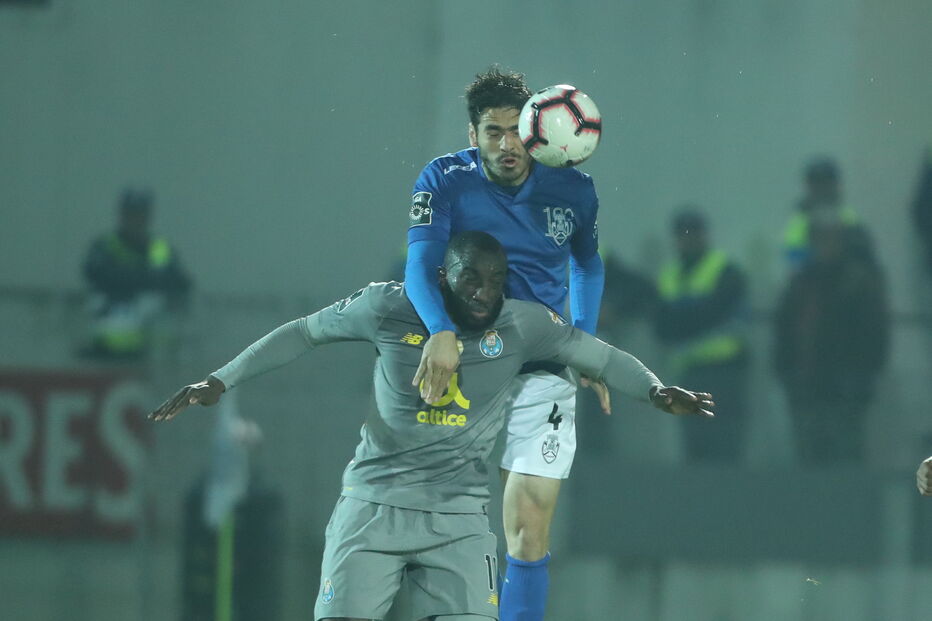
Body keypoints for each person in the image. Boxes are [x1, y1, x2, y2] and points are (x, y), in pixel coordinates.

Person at [151, 232, 714, 621]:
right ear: (442, 276)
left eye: (496, 280)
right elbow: (303, 332)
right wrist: (219, 380)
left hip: (459, 518)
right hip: (373, 508)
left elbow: (599, 354)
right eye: (472, 278)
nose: (484, 291)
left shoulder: (522, 325)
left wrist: (657, 390)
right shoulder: (387, 308)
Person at [404, 68, 605, 620]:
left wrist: (583, 342)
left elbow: (588, 265)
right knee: (432, 519)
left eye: (516, 130)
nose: (507, 144)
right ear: (473, 136)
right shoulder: (444, 181)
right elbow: (418, 268)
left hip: (540, 363)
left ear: (537, 131)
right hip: (463, 360)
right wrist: (440, 331)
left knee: (529, 519)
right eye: (492, 132)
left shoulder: (573, 189)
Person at [773, 213, 889, 466]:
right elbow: (785, 331)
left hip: (845, 389)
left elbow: (873, 334)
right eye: (819, 240)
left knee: (845, 456)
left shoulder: (858, 282)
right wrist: (786, 372)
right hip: (807, 387)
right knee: (809, 456)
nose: (825, 246)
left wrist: (861, 377)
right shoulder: (801, 282)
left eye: (831, 239)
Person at [653, 209, 750, 463]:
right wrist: (691, 317)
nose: (688, 240)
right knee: (694, 445)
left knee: (725, 443)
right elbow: (662, 326)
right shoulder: (669, 275)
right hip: (688, 374)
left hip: (723, 371)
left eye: (693, 234)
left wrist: (681, 320)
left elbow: (714, 311)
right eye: (683, 235)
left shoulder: (725, 270)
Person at [82, 188, 191, 361]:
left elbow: (180, 283)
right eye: (131, 213)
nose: (135, 219)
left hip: (150, 350)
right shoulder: (106, 246)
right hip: (105, 347)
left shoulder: (159, 248)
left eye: (140, 213)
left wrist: (131, 278)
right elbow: (97, 274)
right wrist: (147, 278)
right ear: (122, 215)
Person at [783, 157, 860, 269]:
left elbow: (861, 253)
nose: (822, 189)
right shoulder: (799, 222)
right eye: (817, 183)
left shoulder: (847, 217)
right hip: (811, 278)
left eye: (826, 183)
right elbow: (793, 257)